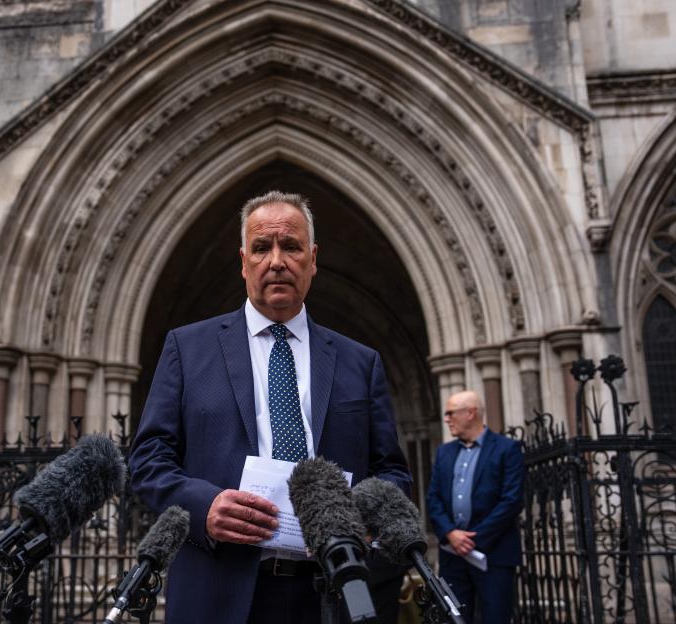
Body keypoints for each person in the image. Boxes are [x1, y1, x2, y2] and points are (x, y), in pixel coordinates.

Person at [129, 191, 412, 624]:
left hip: (329, 593)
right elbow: (148, 462)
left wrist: (360, 517)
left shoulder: (361, 362)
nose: (277, 261)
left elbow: (391, 472)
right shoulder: (187, 349)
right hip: (219, 588)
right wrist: (206, 507)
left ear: (313, 259)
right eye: (262, 247)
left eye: (291, 246)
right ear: (244, 261)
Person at [425, 390, 525, 623]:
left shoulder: (506, 449)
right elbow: (434, 498)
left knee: (495, 618)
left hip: (494, 554)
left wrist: (472, 539)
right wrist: (450, 533)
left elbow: (511, 501)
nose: (447, 419)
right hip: (453, 557)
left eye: (451, 413)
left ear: (471, 413)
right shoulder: (444, 453)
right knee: (453, 618)